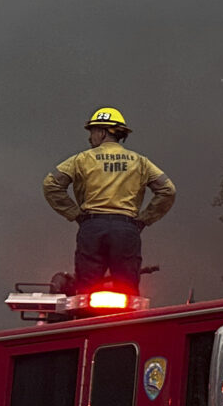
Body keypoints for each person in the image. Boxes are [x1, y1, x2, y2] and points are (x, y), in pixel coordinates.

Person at [42, 108, 176, 295]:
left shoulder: (81, 160)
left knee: (86, 294)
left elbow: (51, 184)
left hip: (92, 229)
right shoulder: (140, 162)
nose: (90, 138)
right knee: (127, 294)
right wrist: (144, 219)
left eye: (92, 132)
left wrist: (75, 214)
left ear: (103, 132)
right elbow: (168, 190)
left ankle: (87, 313)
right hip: (126, 230)